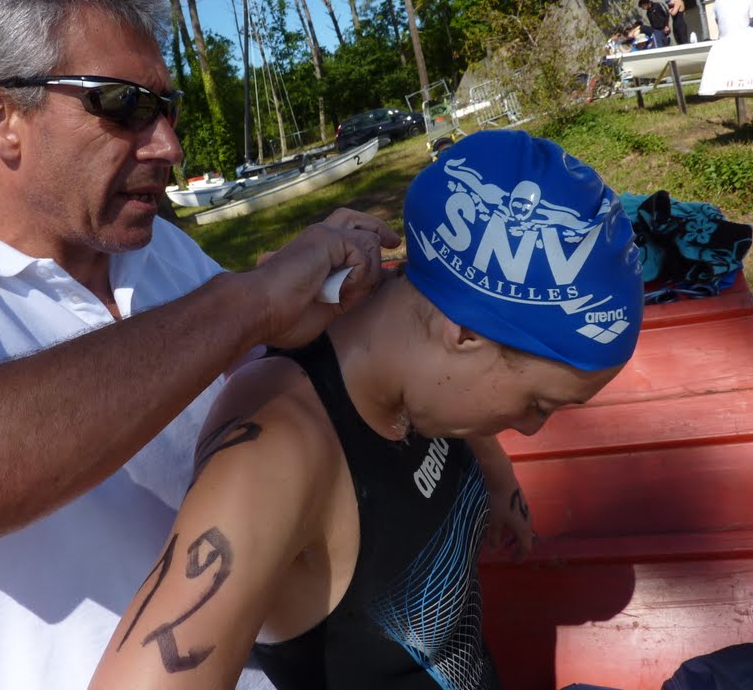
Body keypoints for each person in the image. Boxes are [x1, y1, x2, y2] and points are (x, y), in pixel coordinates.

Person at [0, 0, 401, 690]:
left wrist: (326, 297)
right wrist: (248, 302)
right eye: (124, 105)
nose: (168, 145)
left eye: (166, 108)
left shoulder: (158, 249)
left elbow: (256, 375)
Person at [89, 129, 645, 690]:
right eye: (537, 404)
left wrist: (499, 482)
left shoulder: (418, 356)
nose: (529, 428)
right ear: (465, 335)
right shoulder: (279, 447)